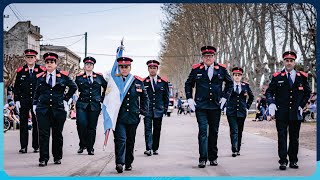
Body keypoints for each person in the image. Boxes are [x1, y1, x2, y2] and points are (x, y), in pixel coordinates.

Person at [185, 45, 233, 168]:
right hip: (201, 106)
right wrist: (189, 98)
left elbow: (230, 83)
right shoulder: (196, 69)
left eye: (211, 56)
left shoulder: (221, 69)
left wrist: (225, 97)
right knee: (203, 131)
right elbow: (188, 84)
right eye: (206, 56)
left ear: (214, 57)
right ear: (202, 57)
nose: (208, 58)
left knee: (214, 132)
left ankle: (213, 157)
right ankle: (202, 158)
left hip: (216, 106)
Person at [266, 51, 311, 170]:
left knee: (294, 137)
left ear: (294, 62)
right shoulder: (277, 77)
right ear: (284, 62)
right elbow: (269, 92)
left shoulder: (302, 77)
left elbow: (308, 93)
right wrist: (271, 103)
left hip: (296, 112)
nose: (289, 63)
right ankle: (283, 161)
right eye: (287, 60)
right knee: (282, 137)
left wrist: (302, 105)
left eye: (291, 61)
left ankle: (293, 160)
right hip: (281, 112)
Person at [33, 52, 77, 166]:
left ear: (56, 63)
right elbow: (36, 92)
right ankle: (43, 159)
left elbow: (73, 87)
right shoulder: (40, 77)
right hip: (43, 109)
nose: (49, 64)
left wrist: (66, 99)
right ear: (45, 64)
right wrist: (34, 104)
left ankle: (57, 157)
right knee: (43, 134)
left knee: (57, 134)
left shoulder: (63, 76)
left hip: (58, 109)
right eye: (47, 62)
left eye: (52, 62)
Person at [114, 57, 149, 173]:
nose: (124, 69)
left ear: (130, 68)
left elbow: (145, 98)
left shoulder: (137, 81)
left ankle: (128, 162)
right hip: (119, 117)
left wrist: (143, 112)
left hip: (133, 116)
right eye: (122, 67)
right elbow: (107, 98)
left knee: (130, 140)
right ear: (119, 68)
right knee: (120, 139)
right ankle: (119, 162)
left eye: (126, 67)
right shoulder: (114, 81)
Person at [13, 49, 46, 153]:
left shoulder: (41, 70)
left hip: (37, 101)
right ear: (25, 59)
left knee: (36, 123)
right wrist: (17, 100)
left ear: (35, 58)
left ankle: (36, 146)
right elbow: (16, 87)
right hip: (24, 100)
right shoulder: (21, 71)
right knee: (23, 123)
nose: (30, 59)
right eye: (28, 57)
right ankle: (23, 146)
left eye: (32, 57)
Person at [75, 56, 107, 155]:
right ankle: (82, 144)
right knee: (81, 124)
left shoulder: (99, 77)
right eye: (87, 64)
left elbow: (107, 87)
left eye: (90, 64)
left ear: (93, 66)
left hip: (94, 105)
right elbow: (73, 88)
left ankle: (90, 147)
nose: (88, 66)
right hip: (82, 104)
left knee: (92, 127)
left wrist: (102, 98)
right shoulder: (79, 77)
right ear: (84, 66)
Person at [143, 60, 169, 156]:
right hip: (147, 110)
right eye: (151, 68)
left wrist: (165, 109)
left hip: (159, 109)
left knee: (157, 129)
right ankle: (148, 148)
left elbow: (166, 96)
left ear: (157, 69)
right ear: (148, 69)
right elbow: (141, 97)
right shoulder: (143, 82)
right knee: (148, 129)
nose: (152, 70)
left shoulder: (163, 82)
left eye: (154, 68)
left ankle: (155, 148)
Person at [226, 67, 254, 157]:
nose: (237, 77)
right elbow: (223, 95)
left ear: (241, 76)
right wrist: (225, 106)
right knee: (234, 130)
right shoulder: (229, 85)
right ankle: (234, 149)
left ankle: (238, 148)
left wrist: (247, 106)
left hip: (242, 111)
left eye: (239, 75)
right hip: (231, 111)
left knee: (240, 131)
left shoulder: (245, 86)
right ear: (233, 76)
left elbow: (251, 97)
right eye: (235, 75)